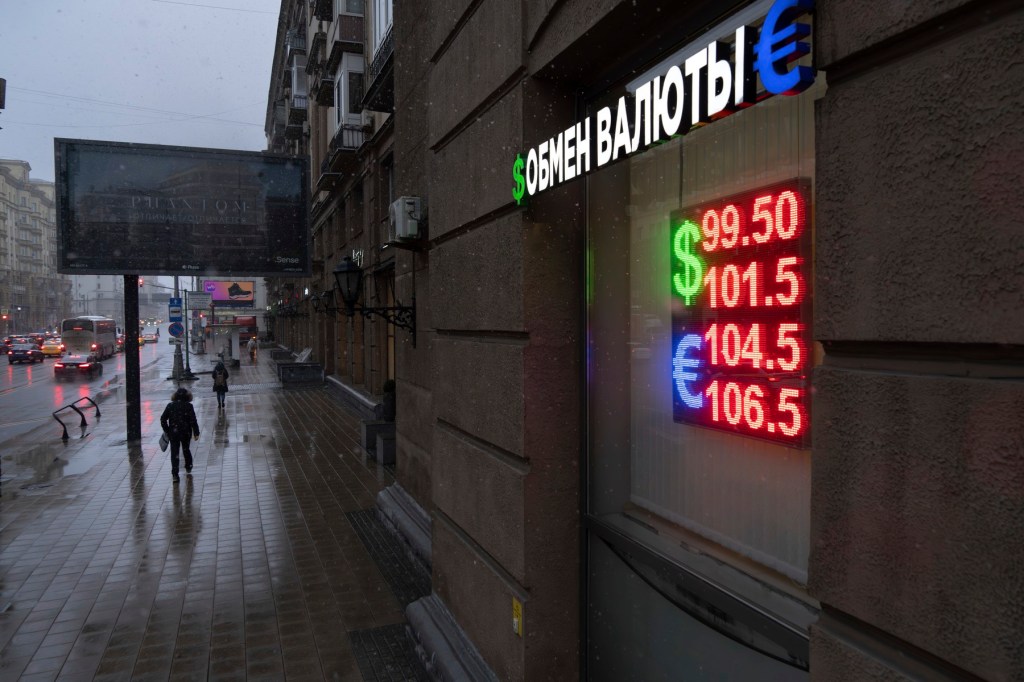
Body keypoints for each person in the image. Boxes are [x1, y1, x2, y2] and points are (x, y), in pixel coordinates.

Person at [160, 387, 200, 482]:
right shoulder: (188, 406)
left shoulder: (170, 405)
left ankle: (175, 474)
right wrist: (196, 432)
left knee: (175, 453)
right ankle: (188, 465)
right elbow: (193, 420)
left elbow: (163, 419)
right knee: (186, 449)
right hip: (185, 432)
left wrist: (167, 430)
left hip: (174, 433)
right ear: (187, 396)